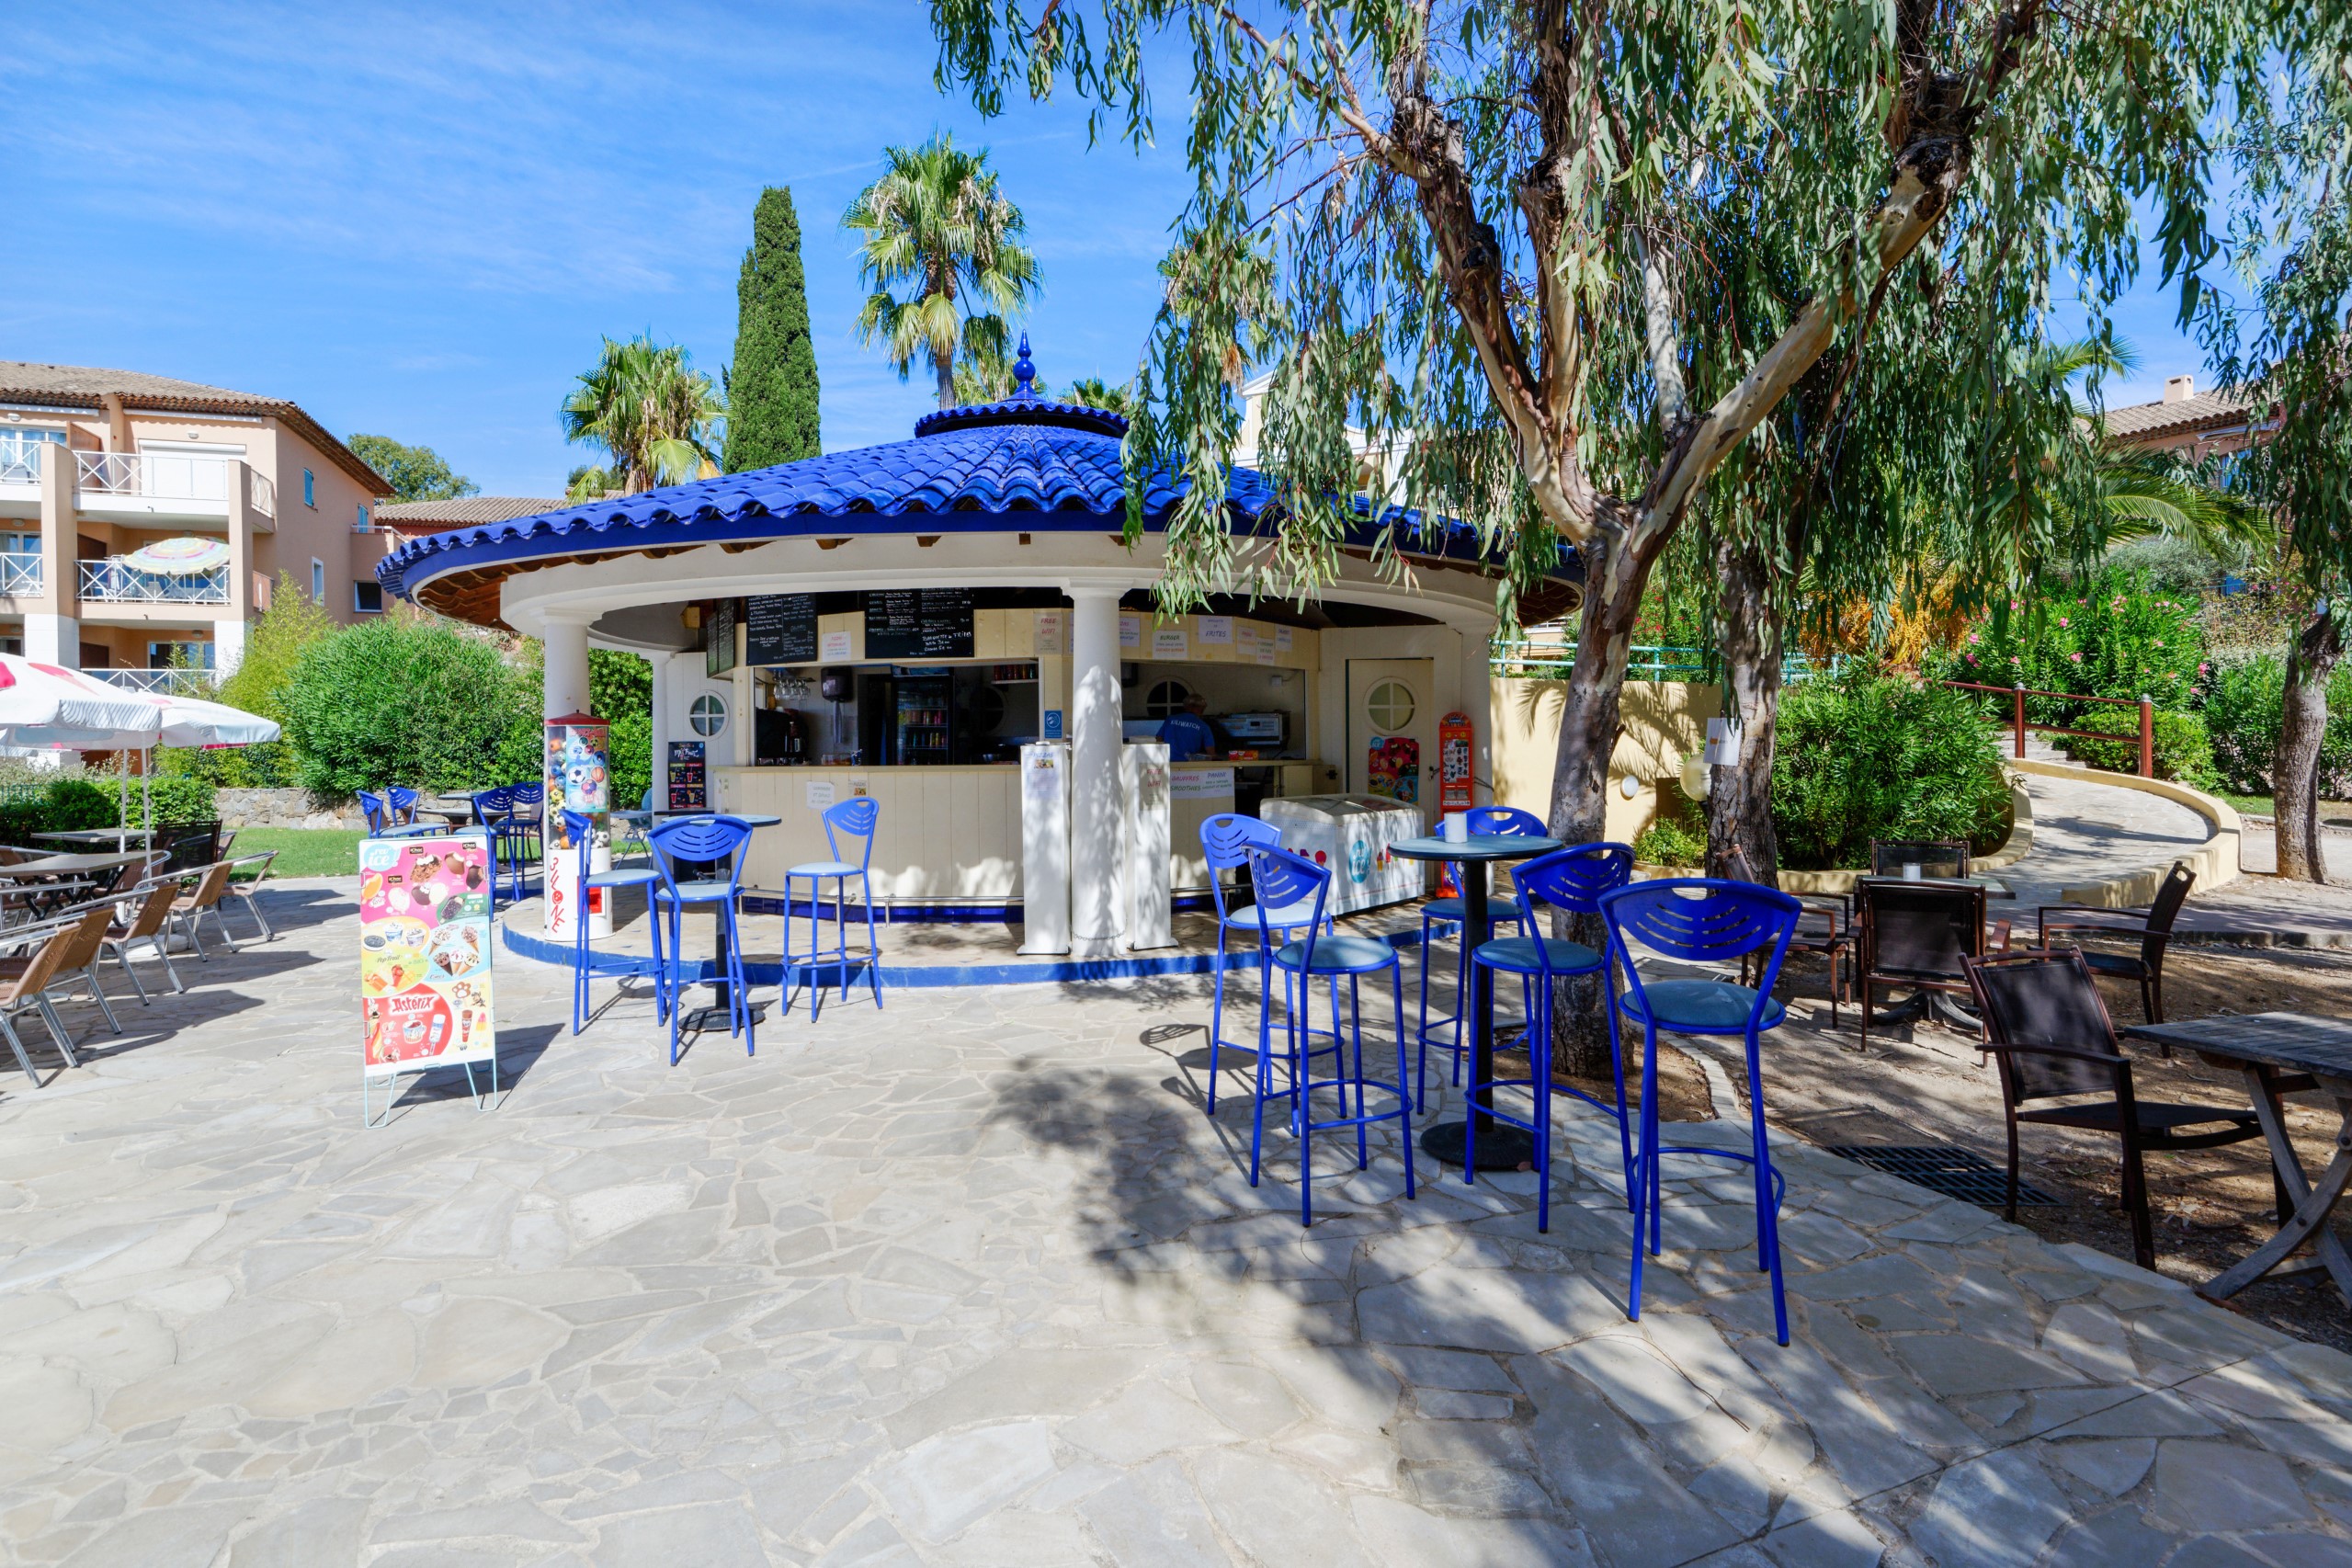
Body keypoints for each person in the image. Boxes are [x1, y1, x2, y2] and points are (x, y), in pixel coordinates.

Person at [1155, 695, 1221, 761]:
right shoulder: (1204, 726)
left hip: (1167, 762)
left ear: (1185, 706)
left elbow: (1159, 738)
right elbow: (1211, 753)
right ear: (1201, 709)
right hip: (1188, 764)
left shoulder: (1170, 719)